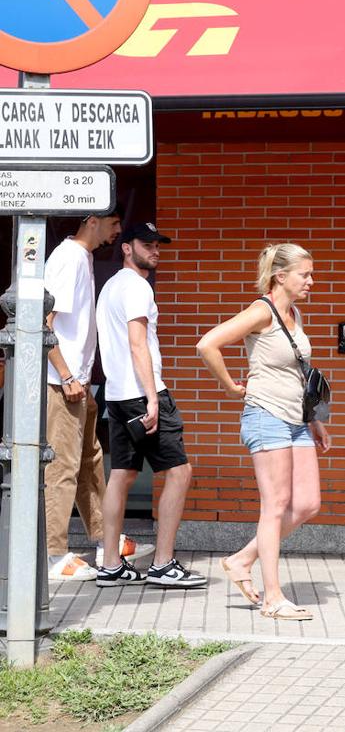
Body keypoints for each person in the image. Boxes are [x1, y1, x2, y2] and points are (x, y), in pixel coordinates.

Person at [197, 243, 330, 620]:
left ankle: (242, 560)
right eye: (304, 274)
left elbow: (299, 373)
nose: (311, 281)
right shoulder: (261, 311)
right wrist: (229, 386)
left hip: (295, 419)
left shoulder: (295, 313)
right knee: (274, 507)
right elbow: (208, 344)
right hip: (266, 415)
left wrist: (314, 420)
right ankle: (273, 599)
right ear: (280, 276)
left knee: (307, 504)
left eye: (310, 273)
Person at [95, 223, 206, 589]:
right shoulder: (137, 287)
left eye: (158, 244)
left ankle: (110, 564)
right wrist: (153, 397)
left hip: (117, 392)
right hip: (142, 393)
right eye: (147, 244)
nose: (155, 249)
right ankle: (162, 564)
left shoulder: (111, 286)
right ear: (127, 248)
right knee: (179, 472)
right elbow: (137, 343)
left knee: (122, 475)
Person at [43, 208, 148, 580]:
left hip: (76, 381)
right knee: (63, 467)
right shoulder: (68, 258)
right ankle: (54, 556)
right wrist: (68, 375)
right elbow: (45, 323)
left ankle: (107, 539)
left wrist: (82, 380)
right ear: (91, 219)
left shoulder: (81, 257)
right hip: (62, 382)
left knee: (89, 460)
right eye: (114, 223)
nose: (118, 231)